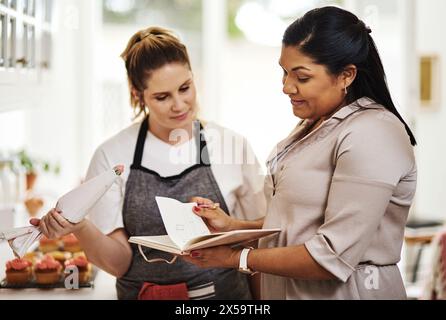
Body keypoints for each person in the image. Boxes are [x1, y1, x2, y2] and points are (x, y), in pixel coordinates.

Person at [183, 6, 417, 300]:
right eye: (283, 72)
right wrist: (233, 227)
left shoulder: (373, 133)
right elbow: (299, 223)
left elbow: (332, 255)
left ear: (346, 75)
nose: (286, 86)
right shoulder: (315, 125)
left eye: (301, 77)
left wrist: (234, 257)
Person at [31, 27, 266, 300]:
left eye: (185, 88)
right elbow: (119, 263)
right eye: (162, 97)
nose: (179, 105)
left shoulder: (232, 146)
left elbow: (257, 242)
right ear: (137, 94)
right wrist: (80, 227)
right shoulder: (112, 155)